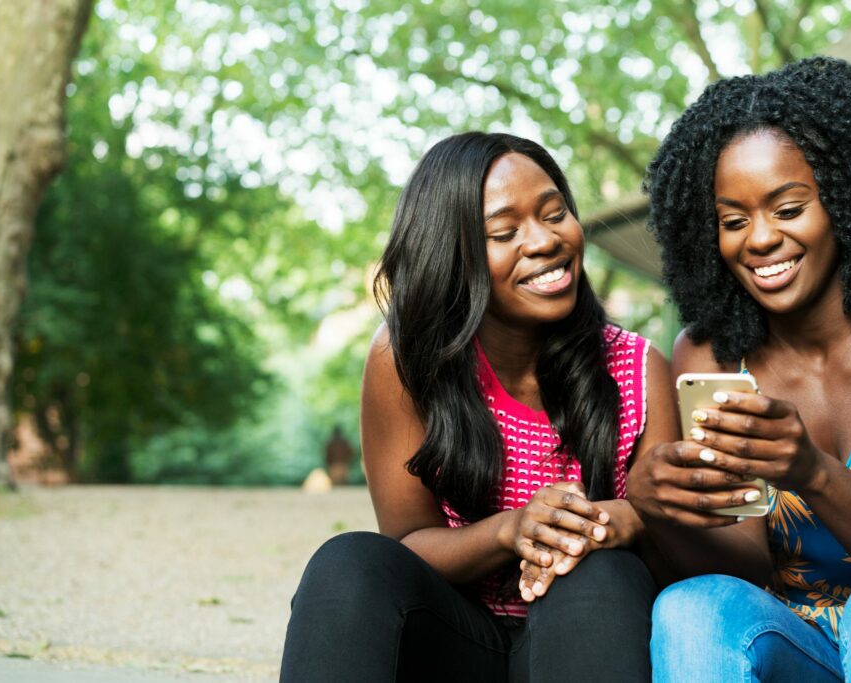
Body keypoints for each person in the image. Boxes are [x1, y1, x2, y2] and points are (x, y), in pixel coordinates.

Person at [628, 56, 851, 681]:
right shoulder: (712, 354)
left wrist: (811, 473)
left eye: (789, 208)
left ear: (848, 201)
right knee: (692, 606)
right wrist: (655, 507)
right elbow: (745, 569)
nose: (760, 239)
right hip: (806, 645)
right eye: (734, 221)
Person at [280, 132, 679, 682]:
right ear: (452, 252)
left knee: (601, 570)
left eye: (555, 213)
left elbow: (677, 536)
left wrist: (617, 521)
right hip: (458, 641)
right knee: (349, 564)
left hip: (586, 637)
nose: (544, 241)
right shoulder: (406, 362)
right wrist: (511, 530)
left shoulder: (638, 369)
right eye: (504, 232)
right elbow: (407, 547)